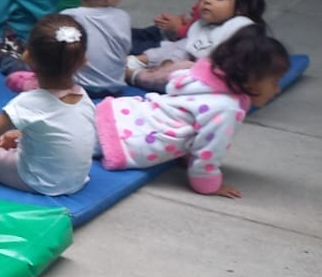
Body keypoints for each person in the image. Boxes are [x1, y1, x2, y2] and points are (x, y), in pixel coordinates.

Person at [97, 27, 289, 199]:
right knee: (81, 143)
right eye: (274, 82)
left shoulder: (202, 80)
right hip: (126, 138)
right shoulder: (227, 108)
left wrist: (185, 152)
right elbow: (208, 151)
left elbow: (191, 122)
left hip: (120, 111)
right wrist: (208, 184)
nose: (277, 89)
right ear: (250, 81)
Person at [0, 15, 97, 197]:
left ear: (28, 55)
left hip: (37, 180)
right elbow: (59, 128)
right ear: (82, 60)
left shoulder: (29, 102)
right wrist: (18, 135)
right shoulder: (83, 96)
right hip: (76, 180)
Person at [128, 0, 264, 90]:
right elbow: (185, 48)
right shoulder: (203, 25)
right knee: (170, 48)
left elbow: (228, 68)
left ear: (241, 8)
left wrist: (178, 67)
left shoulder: (241, 29)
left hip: (209, 79)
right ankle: (137, 61)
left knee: (174, 69)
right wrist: (169, 62)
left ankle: (134, 76)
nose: (207, 1)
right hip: (188, 65)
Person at [46, 0, 131, 97]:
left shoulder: (67, 16)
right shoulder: (123, 17)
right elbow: (124, 50)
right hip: (114, 87)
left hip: (77, 87)